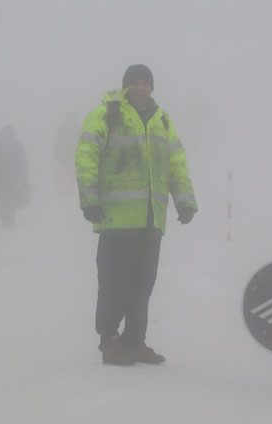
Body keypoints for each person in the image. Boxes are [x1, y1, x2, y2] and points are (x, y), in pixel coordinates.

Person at [75, 64, 198, 365]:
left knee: (143, 286)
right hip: (116, 220)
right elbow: (86, 155)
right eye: (135, 82)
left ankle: (134, 341)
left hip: (150, 220)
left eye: (145, 82)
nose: (141, 88)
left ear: (152, 87)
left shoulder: (162, 120)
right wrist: (90, 199)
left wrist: (184, 200)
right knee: (114, 285)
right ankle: (109, 342)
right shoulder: (106, 114)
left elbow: (175, 162)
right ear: (126, 85)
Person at [0, 125, 28, 227]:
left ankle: (8, 218)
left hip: (9, 178)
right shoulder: (10, 144)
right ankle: (7, 218)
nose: (7, 137)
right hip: (2, 178)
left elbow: (23, 162)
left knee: (7, 199)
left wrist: (24, 178)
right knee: (4, 199)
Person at [54, 112, 80, 196]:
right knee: (71, 175)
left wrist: (57, 154)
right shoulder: (77, 128)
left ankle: (60, 192)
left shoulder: (62, 129)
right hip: (72, 156)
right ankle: (70, 192)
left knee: (62, 174)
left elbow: (57, 143)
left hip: (64, 156)